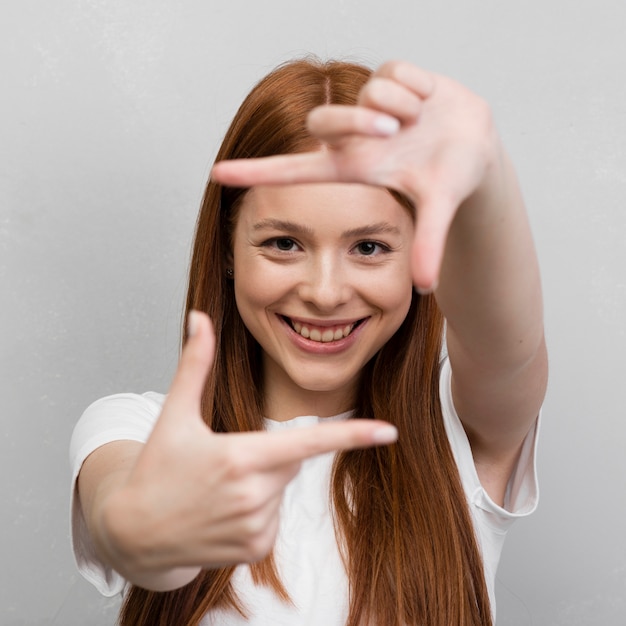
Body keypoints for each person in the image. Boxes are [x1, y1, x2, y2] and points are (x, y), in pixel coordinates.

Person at [70, 57, 547, 626]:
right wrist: (146, 527)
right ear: (226, 249)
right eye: (283, 243)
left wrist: (487, 173)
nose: (325, 294)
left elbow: (510, 347)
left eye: (369, 247)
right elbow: (121, 509)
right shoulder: (134, 428)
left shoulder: (459, 435)